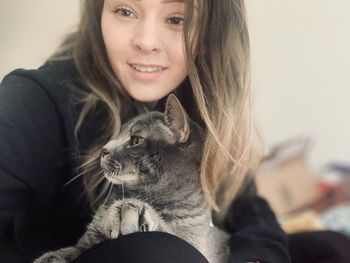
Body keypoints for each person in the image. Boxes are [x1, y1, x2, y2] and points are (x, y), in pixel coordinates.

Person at [1, 0, 347, 263]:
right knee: (158, 250)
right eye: (125, 10)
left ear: (212, 33)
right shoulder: (35, 101)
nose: (146, 41)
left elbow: (250, 209)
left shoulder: (197, 109)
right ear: (98, 14)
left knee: (329, 246)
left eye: (176, 19)